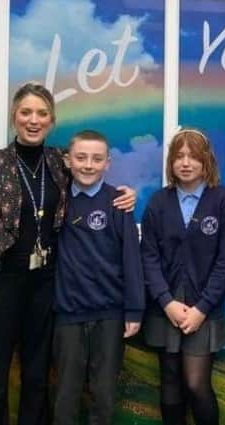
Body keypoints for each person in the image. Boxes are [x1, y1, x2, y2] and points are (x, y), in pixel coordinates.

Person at [0, 81, 136, 425]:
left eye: (41, 113)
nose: (33, 120)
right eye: (26, 112)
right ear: (14, 117)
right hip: (0, 287)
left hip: (45, 287)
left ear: (51, 121)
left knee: (37, 380)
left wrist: (129, 194)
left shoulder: (60, 163)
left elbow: (93, 173)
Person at [140, 128, 225, 425]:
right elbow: (148, 257)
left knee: (196, 385)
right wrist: (167, 302)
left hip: (203, 310)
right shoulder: (158, 202)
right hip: (165, 307)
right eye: (179, 156)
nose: (186, 163)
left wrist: (201, 309)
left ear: (205, 161)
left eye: (193, 156)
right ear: (171, 162)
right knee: (170, 384)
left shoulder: (222, 200)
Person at [50, 129, 144, 425]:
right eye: (81, 158)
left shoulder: (118, 202)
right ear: (67, 160)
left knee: (103, 395)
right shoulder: (57, 200)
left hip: (110, 314)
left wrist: (134, 308)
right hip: (68, 314)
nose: (88, 165)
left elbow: (131, 257)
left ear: (108, 164)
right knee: (65, 394)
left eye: (96, 159)